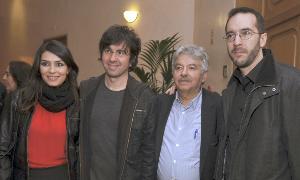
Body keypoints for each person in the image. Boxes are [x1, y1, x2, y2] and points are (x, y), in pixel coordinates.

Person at [214, 7, 300, 180]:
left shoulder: (291, 84)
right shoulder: (229, 92)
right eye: (231, 35)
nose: (236, 41)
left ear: (262, 39)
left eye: (245, 33)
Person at [79, 25, 155, 180]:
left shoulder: (143, 96)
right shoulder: (87, 89)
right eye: (108, 51)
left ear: (132, 59)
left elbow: (149, 153)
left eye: (121, 52)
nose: (112, 58)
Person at [0, 40, 80, 180]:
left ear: (68, 69)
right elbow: (3, 149)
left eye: (59, 64)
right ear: (38, 67)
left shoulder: (78, 101)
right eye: (45, 64)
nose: (52, 70)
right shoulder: (18, 99)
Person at [154, 45, 223, 180]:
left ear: (204, 76)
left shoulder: (216, 106)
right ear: (173, 74)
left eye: (192, 67)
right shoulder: (159, 104)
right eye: (179, 67)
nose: (183, 73)